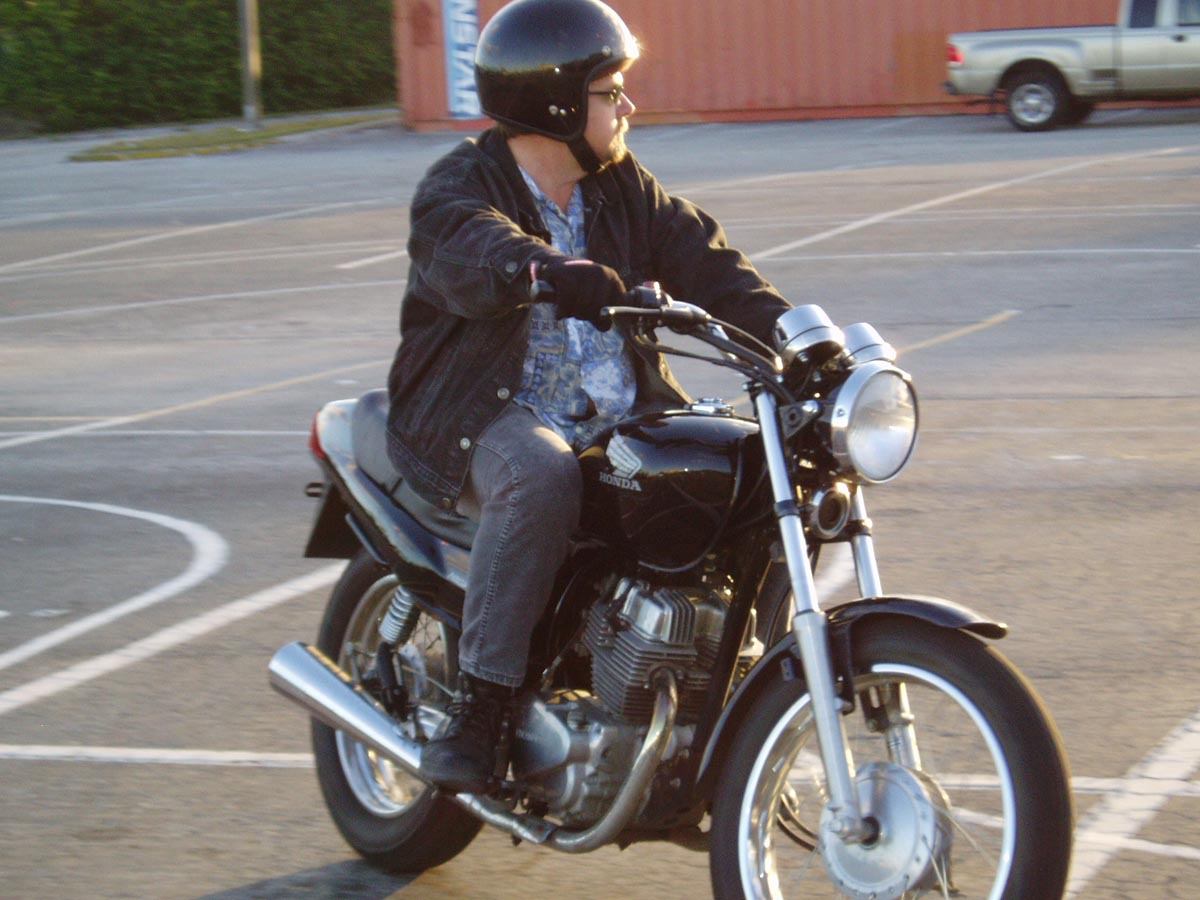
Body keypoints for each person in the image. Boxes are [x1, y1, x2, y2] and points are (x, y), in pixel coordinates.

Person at [385, 0, 792, 793]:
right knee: (540, 475)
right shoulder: (459, 186)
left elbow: (709, 262)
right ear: (557, 105)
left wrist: (801, 338)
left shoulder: (620, 186)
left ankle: (719, 680)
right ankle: (483, 706)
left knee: (749, 466)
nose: (627, 106)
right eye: (610, 92)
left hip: (617, 413)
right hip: (484, 415)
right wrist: (541, 267)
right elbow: (471, 248)